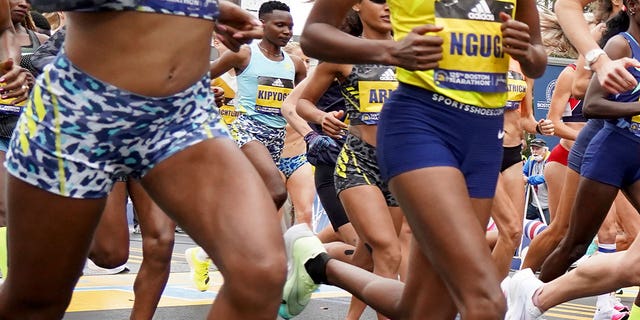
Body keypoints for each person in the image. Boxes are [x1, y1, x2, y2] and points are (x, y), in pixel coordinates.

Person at [0, 1, 288, 319]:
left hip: (183, 113)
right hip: (83, 109)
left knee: (259, 271)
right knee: (36, 302)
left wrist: (207, 9)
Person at [278, 0, 547, 319]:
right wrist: (390, 52)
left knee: (428, 306)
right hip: (418, 127)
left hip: (483, 140)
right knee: (484, 298)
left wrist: (526, 52)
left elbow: (536, 58)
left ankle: (320, 264)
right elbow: (314, 34)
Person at [506, 1, 640, 317]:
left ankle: (532, 299)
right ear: (632, 6)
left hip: (636, 151)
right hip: (610, 151)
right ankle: (528, 300)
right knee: (573, 243)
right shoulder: (621, 44)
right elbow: (591, 104)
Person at [523, 138, 550, 223]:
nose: (534, 151)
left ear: (544, 149)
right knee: (519, 219)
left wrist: (528, 179)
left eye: (537, 149)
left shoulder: (550, 160)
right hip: (533, 204)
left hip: (547, 206)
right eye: (533, 149)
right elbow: (523, 171)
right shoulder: (531, 159)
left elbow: (545, 177)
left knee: (548, 229)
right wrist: (523, 176)